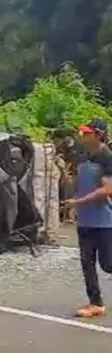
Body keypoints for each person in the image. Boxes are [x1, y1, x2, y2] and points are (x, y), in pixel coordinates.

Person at [63, 118, 112, 317]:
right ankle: (95, 303)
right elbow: (81, 183)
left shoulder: (106, 157)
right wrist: (75, 203)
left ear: (98, 135)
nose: (82, 136)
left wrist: (79, 202)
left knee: (108, 264)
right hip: (85, 220)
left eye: (87, 133)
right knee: (87, 262)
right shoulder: (82, 156)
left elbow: (107, 189)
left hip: (104, 221)